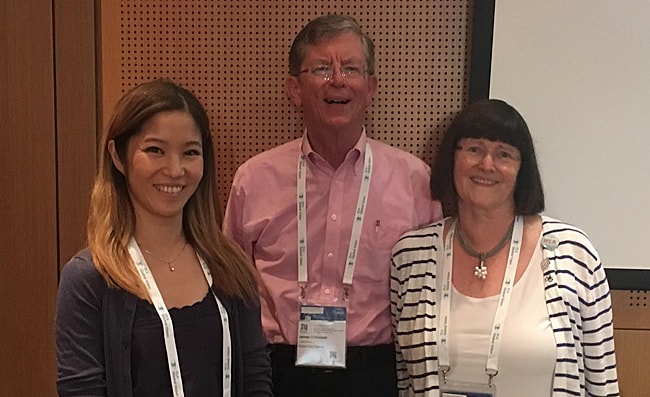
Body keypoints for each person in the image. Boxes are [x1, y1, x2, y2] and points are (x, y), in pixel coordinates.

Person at [223, 14, 442, 397]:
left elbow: (432, 296)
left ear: (371, 87)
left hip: (376, 371)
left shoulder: (415, 182)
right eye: (322, 68)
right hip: (275, 370)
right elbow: (232, 288)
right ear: (294, 88)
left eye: (352, 69)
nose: (338, 80)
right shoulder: (254, 180)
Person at [55, 79, 272, 397]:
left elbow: (255, 378)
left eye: (190, 152)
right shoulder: (89, 278)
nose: (174, 169)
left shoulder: (230, 267)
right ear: (118, 157)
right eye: (155, 150)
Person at [391, 99, 620, 396]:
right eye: (473, 149)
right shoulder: (410, 257)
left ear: (521, 169)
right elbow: (404, 380)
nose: (487, 164)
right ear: (452, 158)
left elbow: (602, 385)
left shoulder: (573, 254)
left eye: (504, 154)